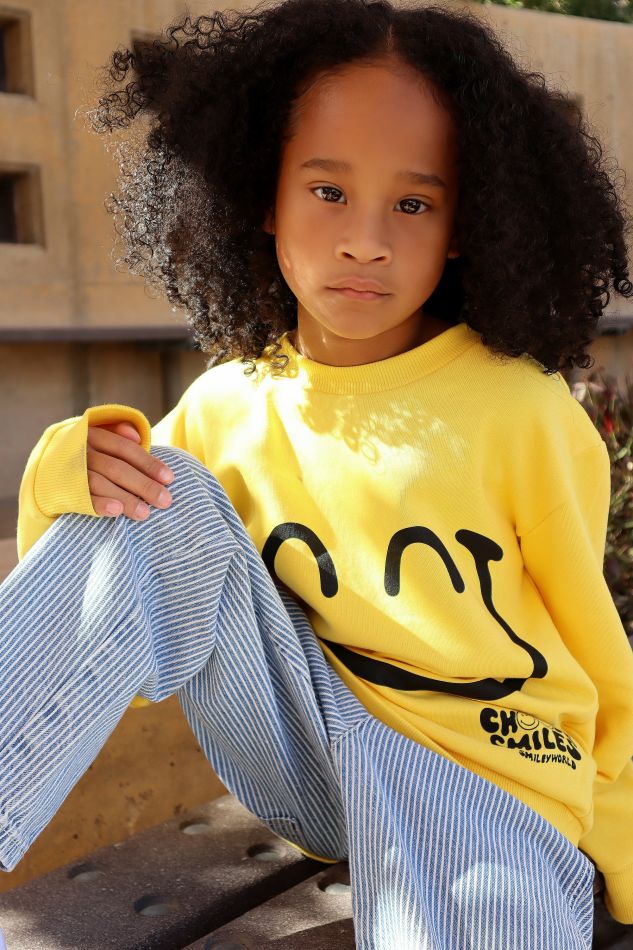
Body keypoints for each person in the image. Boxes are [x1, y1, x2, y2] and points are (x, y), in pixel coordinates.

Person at [2, 0, 633, 946]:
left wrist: (617, 846)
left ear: (464, 224)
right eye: (328, 190)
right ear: (261, 195)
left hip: (484, 777)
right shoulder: (227, 405)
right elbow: (119, 614)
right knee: (155, 488)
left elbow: (596, 657)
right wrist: (65, 471)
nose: (364, 240)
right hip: (303, 752)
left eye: (412, 204)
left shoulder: (521, 413)